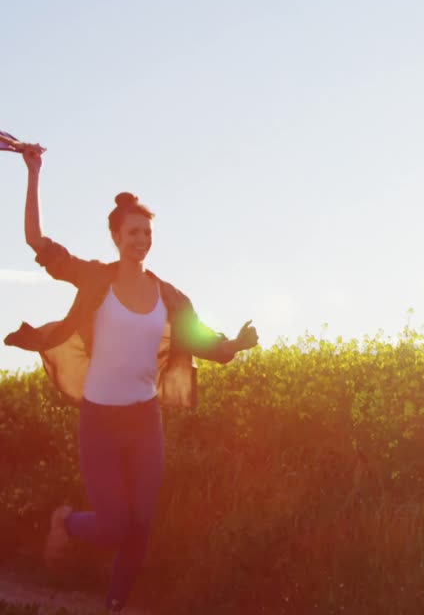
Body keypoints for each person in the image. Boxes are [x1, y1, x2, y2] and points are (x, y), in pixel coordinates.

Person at [4, 143, 259, 613]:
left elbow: (202, 339)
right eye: (133, 232)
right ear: (116, 237)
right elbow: (36, 242)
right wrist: (33, 173)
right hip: (99, 422)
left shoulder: (168, 295)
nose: (141, 239)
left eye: (147, 232)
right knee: (115, 523)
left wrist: (235, 344)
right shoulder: (95, 280)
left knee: (140, 524)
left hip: (144, 421)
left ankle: (114, 605)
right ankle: (66, 521)